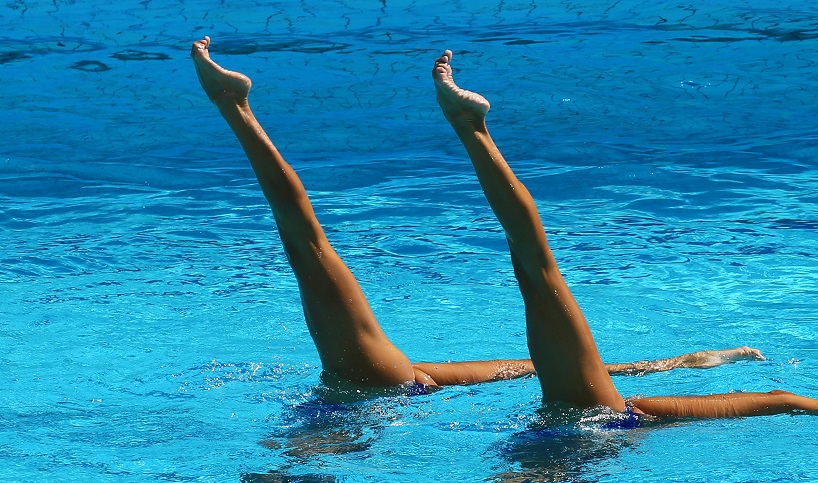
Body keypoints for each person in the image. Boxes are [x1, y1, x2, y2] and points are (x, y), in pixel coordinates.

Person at [431, 50, 818, 420]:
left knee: (534, 270)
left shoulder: (617, 421)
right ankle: (472, 131)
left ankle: (472, 132)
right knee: (534, 271)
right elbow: (782, 400)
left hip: (587, 417)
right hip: (600, 418)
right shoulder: (625, 419)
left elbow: (781, 399)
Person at [190, 37, 764, 395]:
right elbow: (528, 367)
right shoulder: (619, 420)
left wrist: (676, 363)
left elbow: (529, 365)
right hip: (386, 380)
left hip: (380, 383)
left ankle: (236, 108)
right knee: (308, 247)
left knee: (309, 245)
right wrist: (672, 364)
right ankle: (235, 108)